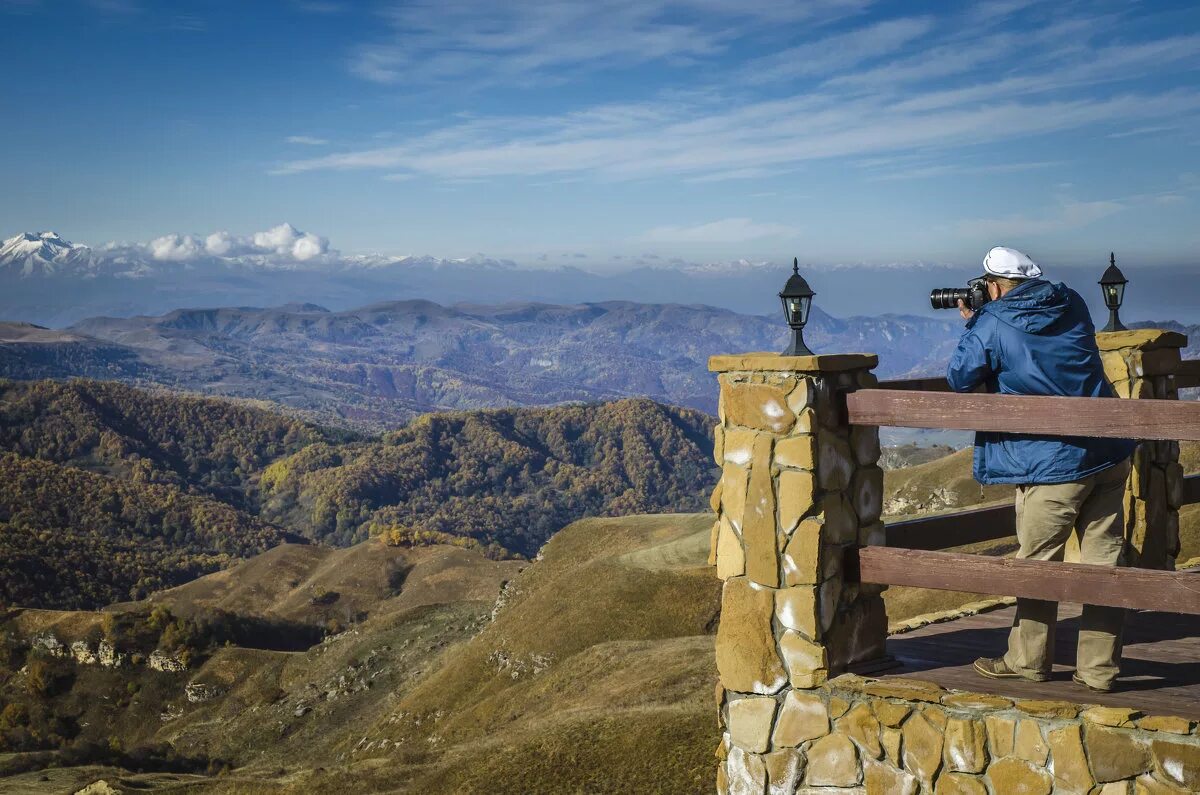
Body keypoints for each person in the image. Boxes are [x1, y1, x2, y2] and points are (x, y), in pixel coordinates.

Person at [946, 246, 1135, 693]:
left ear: (993, 285)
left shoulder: (992, 322)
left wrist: (975, 321)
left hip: (1052, 461)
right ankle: (1099, 671)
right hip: (1107, 449)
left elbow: (960, 377)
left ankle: (1028, 662)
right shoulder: (1072, 301)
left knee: (1037, 564)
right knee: (1104, 564)